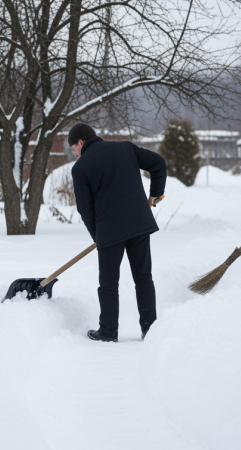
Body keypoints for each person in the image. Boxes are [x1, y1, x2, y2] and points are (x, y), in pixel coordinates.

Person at [69, 123, 167, 342]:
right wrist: (156, 196)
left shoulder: (81, 167)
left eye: (74, 148)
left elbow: (84, 208)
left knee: (108, 283)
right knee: (143, 278)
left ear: (81, 143)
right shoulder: (126, 148)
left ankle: (108, 331)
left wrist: (98, 236)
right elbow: (158, 163)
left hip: (109, 229)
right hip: (139, 222)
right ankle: (150, 329)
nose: (75, 154)